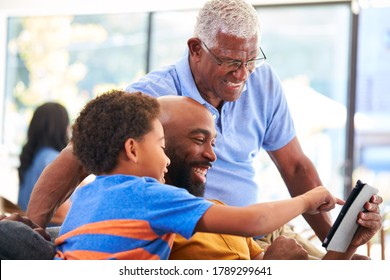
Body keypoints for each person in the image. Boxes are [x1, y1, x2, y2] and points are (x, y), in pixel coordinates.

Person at [24, 0, 368, 258]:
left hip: (262, 225)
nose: (242, 74)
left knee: (347, 263)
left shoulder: (262, 82)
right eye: (231, 61)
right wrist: (33, 226)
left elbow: (295, 167)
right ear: (196, 49)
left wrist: (335, 238)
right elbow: (82, 150)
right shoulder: (152, 100)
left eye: (250, 60)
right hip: (209, 232)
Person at [0, 94, 382, 260]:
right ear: (134, 149)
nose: (213, 155)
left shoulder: (86, 200)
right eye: (165, 143)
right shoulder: (155, 202)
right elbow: (254, 222)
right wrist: (305, 200)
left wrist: (345, 244)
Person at [157, 96, 382, 260]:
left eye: (213, 143)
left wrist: (349, 244)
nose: (212, 156)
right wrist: (272, 267)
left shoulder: (219, 214)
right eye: (198, 140)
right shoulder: (155, 223)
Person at [18, 102, 70, 225]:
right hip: (50, 236)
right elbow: (64, 213)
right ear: (62, 128)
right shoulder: (53, 159)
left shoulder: (31, 157)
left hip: (27, 231)